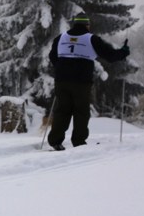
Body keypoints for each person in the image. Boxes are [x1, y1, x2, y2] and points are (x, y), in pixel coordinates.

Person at [47, 13, 130, 151]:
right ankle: (78, 142)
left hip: (62, 81)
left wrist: (62, 67)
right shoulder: (91, 39)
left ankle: (55, 141)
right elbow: (110, 56)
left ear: (74, 24)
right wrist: (124, 52)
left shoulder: (61, 38)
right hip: (81, 82)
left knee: (62, 110)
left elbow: (52, 56)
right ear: (87, 25)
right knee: (81, 111)